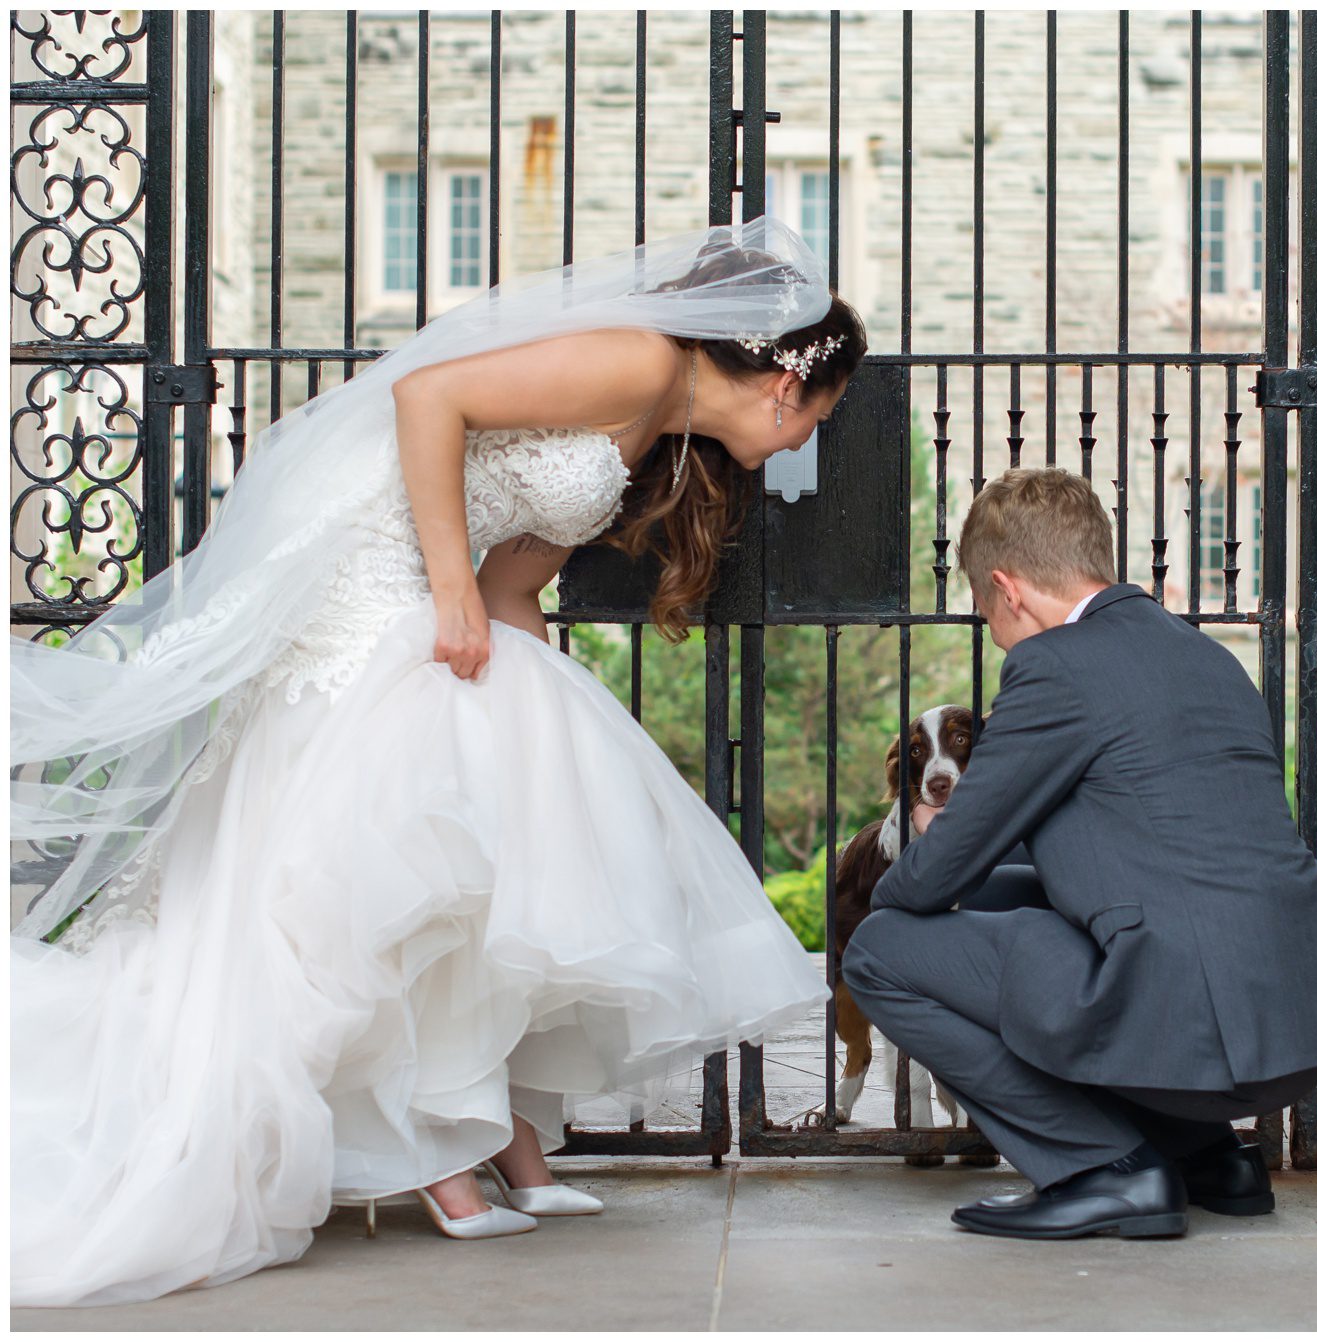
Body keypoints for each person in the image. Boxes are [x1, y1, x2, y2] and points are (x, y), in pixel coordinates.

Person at [10, 217, 865, 1307]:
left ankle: (488, 1128)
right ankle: (432, 1146)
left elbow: (521, 578)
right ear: (785, 388)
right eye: (820, 421)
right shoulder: (641, 358)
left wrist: (538, 725)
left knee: (485, 833)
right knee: (382, 858)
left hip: (446, 579)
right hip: (375, 562)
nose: (805, 445)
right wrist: (452, 594)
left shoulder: (656, 426)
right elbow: (431, 399)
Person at [840, 466, 1317, 1240]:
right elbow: (1145, 844)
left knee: (881, 948)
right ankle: (1207, 1157)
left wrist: (921, 864)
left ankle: (1104, 1168)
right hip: (1289, 1027)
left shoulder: (1053, 666)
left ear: (1009, 588)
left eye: (983, 607)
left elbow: (928, 880)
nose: (992, 628)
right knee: (1022, 897)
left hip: (1193, 1030)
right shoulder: (1199, 654)